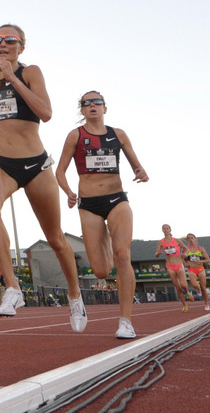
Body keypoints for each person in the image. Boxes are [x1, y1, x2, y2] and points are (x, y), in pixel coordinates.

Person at [0, 24, 85, 330]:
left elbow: (45, 112)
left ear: (21, 46)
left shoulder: (30, 72)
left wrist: (12, 77)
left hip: (36, 165)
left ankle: (75, 298)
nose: (2, 43)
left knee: (56, 239)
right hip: (0, 163)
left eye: (10, 39)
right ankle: (13, 288)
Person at [56, 91, 148, 339]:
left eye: (97, 102)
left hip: (117, 199)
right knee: (101, 272)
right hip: (89, 205)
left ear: (105, 108)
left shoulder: (118, 134)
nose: (92, 105)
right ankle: (107, 237)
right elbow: (60, 172)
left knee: (123, 255)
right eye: (87, 103)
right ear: (82, 110)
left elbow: (136, 165)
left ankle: (126, 321)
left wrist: (141, 172)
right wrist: (68, 192)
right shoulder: (75, 135)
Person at [154, 224, 189, 312]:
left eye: (167, 228)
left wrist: (185, 254)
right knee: (177, 287)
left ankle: (187, 292)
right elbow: (156, 254)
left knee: (183, 285)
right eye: (164, 229)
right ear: (162, 230)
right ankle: (185, 305)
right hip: (170, 266)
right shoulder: (161, 242)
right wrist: (158, 254)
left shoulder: (176, 240)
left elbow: (186, 249)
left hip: (179, 264)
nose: (165, 230)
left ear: (170, 230)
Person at [181, 233, 210, 311]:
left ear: (195, 239)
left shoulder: (200, 248)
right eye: (189, 238)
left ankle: (206, 304)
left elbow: (208, 260)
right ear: (187, 240)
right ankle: (197, 288)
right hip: (191, 269)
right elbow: (181, 258)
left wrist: (201, 261)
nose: (191, 239)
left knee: (203, 288)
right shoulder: (186, 249)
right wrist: (185, 264)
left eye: (192, 238)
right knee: (194, 285)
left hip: (200, 269)